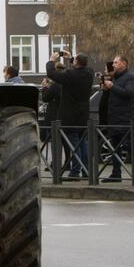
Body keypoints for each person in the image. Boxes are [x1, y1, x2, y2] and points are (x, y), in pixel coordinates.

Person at [46, 51, 93, 180]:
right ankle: (86, 170)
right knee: (83, 142)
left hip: (69, 115)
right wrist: (72, 58)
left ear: (76, 62)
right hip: (83, 114)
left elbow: (52, 74)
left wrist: (51, 61)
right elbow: (83, 66)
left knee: (73, 143)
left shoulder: (70, 75)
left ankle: (75, 171)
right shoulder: (89, 74)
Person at [101, 56, 134, 183]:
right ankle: (116, 174)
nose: (114, 65)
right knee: (115, 147)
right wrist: (106, 88)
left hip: (125, 117)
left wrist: (112, 87)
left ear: (124, 64)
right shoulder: (115, 77)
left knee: (128, 145)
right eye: (114, 63)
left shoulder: (130, 77)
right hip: (114, 117)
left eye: (116, 62)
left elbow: (129, 93)